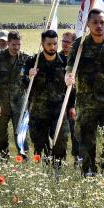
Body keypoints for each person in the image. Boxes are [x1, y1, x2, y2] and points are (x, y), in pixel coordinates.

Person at [65, 9, 104, 176]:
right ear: (88, 24)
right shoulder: (79, 45)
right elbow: (69, 71)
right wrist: (68, 79)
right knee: (85, 141)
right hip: (86, 102)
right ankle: (88, 173)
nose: (99, 26)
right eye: (95, 22)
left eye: (102, 23)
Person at [23, 29, 73, 165]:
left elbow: (71, 88)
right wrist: (28, 76)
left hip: (59, 109)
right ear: (42, 44)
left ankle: (57, 169)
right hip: (39, 111)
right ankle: (45, 168)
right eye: (49, 44)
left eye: (55, 44)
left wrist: (72, 106)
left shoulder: (65, 62)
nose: (53, 47)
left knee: (60, 140)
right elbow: (22, 83)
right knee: (40, 144)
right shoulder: (33, 62)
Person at [0, 31, 29, 158]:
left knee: (21, 133)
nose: (16, 48)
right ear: (8, 43)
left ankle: (23, 159)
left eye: (19, 45)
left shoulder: (26, 59)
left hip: (19, 103)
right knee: (0, 133)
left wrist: (32, 74)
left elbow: (32, 80)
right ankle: (3, 159)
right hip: (1, 103)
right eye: (13, 45)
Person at [60, 31, 80, 162]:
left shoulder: (77, 59)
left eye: (67, 42)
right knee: (61, 132)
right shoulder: (57, 57)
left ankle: (77, 157)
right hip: (59, 100)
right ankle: (59, 158)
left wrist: (73, 105)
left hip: (73, 100)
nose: (64, 44)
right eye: (63, 41)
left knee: (76, 131)